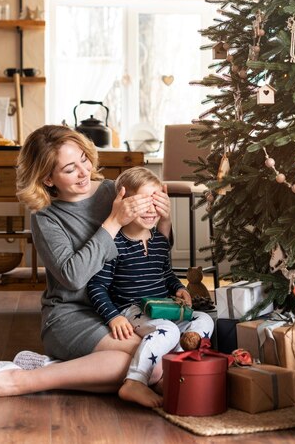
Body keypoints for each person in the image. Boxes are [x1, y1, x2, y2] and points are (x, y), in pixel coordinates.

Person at [0, 125, 172, 401]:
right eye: (69, 169)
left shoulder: (112, 191)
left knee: (157, 363)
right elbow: (73, 278)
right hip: (72, 315)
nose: (83, 172)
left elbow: (150, 257)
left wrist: (163, 221)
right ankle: (20, 381)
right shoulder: (46, 217)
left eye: (83, 159)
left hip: (119, 312)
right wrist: (113, 222)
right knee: (153, 366)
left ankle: (54, 368)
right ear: (48, 178)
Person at [88, 166, 214, 408]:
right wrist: (113, 317)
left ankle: (181, 363)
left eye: (156, 201)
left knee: (204, 320)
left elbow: (166, 273)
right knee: (168, 329)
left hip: (164, 308)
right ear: (124, 203)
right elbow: (96, 287)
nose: (150, 209)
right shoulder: (113, 243)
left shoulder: (158, 240)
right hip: (132, 310)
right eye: (142, 202)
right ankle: (135, 381)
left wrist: (179, 288)